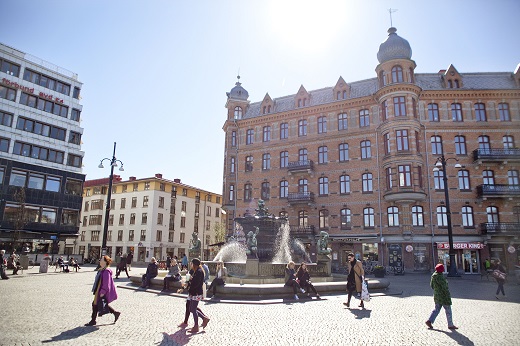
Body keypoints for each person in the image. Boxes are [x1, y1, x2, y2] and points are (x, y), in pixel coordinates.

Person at [84, 255, 121, 326]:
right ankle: (115, 313)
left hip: (101, 291)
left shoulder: (106, 271)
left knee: (95, 305)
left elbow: (106, 283)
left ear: (105, 262)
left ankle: (93, 320)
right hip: (98, 289)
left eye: (101, 260)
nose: (100, 261)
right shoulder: (102, 269)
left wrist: (103, 292)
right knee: (98, 304)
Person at [178, 258, 210, 333]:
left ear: (194, 264)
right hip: (194, 292)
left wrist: (191, 283)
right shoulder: (195, 271)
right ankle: (203, 319)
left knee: (192, 309)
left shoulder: (199, 272)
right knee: (192, 308)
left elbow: (196, 284)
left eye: (192, 264)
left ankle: (196, 326)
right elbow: (191, 281)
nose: (191, 265)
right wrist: (185, 286)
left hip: (196, 293)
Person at [425, 263, 458, 330]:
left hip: (437, 296)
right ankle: (450, 324)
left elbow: (431, 285)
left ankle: (429, 320)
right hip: (443, 296)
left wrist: (436, 291)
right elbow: (444, 287)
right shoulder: (440, 277)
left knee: (436, 309)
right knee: (448, 310)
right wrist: (447, 294)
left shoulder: (433, 276)